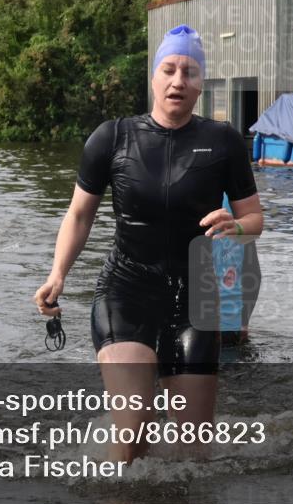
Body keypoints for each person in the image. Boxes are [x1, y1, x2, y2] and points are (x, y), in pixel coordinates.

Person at [32, 24, 263, 463]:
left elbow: (255, 219)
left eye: (190, 72)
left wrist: (236, 225)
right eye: (170, 69)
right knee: (134, 427)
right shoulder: (112, 138)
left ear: (201, 84)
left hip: (196, 298)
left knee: (194, 450)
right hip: (127, 290)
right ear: (153, 76)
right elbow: (79, 214)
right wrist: (57, 275)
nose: (179, 81)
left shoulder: (224, 142)